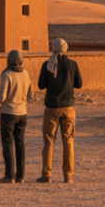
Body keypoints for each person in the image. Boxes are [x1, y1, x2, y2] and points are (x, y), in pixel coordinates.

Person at [37, 38, 82, 183]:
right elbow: (79, 84)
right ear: (65, 48)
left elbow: (41, 85)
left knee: (49, 141)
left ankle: (47, 175)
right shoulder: (72, 64)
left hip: (51, 107)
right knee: (68, 141)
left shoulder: (47, 65)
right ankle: (68, 176)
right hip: (68, 107)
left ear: (53, 48)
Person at [0, 49, 33, 184]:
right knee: (20, 144)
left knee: (7, 144)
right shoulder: (26, 74)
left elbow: (1, 97)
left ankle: (9, 175)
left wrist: (1, 99)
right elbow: (30, 96)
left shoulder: (6, 75)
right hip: (23, 113)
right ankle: (20, 176)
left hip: (8, 113)